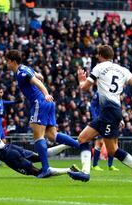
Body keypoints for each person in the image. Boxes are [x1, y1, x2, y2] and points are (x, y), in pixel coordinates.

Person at [70, 45, 132, 186]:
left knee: (112, 149)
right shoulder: (122, 69)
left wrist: (81, 80)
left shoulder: (98, 67)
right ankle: (85, 172)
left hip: (109, 111)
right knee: (82, 138)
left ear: (100, 55)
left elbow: (85, 87)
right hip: (110, 111)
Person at [5, 50, 79, 178]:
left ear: (12, 61)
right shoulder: (25, 69)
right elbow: (40, 76)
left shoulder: (22, 72)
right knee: (52, 135)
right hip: (47, 103)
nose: (6, 63)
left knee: (38, 136)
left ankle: (46, 169)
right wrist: (42, 85)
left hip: (40, 102)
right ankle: (81, 145)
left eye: (7, 61)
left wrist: (45, 94)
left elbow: (37, 81)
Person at [90, 91, 119, 171]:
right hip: (101, 120)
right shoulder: (99, 91)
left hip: (112, 120)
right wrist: (95, 117)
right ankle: (95, 165)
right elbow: (92, 105)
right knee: (100, 142)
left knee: (113, 143)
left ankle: (110, 165)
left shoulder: (114, 91)